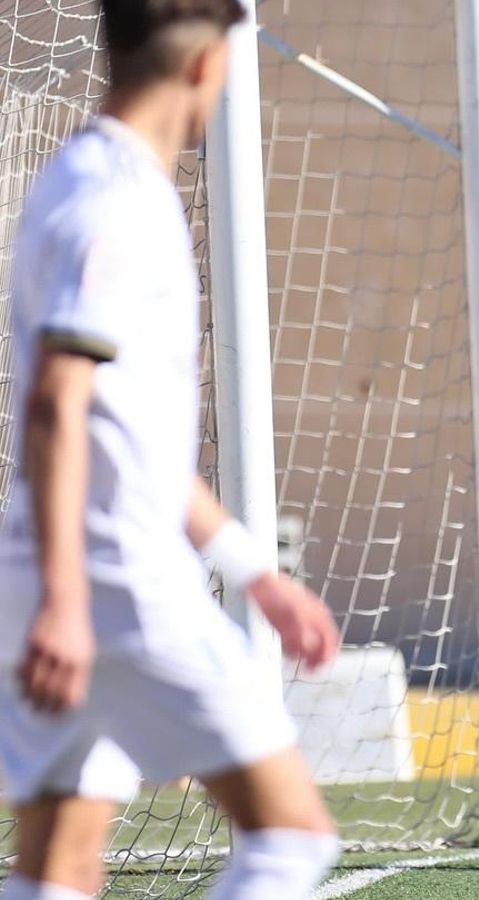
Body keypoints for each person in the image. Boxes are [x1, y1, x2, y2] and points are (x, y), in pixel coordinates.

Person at [0, 2, 343, 898]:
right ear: (204, 66)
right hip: (115, 582)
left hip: (70, 575)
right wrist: (70, 603)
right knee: (292, 836)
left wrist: (254, 573)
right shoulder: (112, 202)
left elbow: (132, 435)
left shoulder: (91, 180)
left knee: (59, 870)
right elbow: (53, 403)